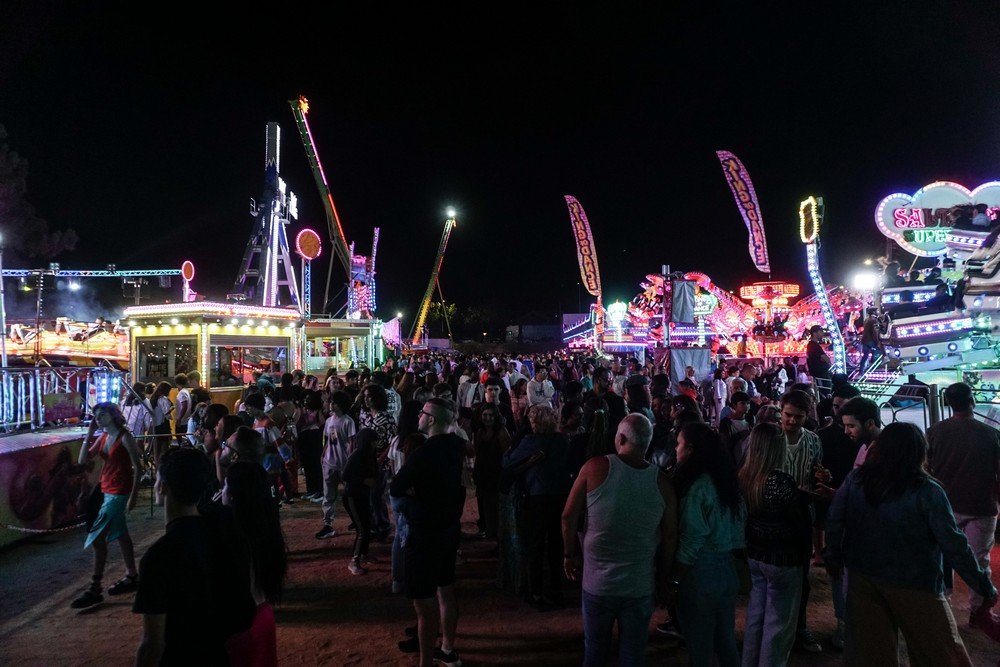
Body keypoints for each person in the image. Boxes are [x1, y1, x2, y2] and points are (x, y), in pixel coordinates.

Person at [824, 422, 998, 666]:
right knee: (940, 655)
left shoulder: (857, 479)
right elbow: (954, 545)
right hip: (916, 583)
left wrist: (832, 556)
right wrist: (982, 585)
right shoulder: (927, 491)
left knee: (870, 655)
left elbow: (835, 519)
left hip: (863, 576)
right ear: (919, 453)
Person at [561, 414, 677, 667]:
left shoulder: (595, 468)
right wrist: (664, 574)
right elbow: (669, 536)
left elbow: (568, 516)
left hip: (598, 583)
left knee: (595, 651)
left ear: (621, 438)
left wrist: (569, 554)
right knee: (633, 655)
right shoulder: (662, 483)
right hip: (639, 585)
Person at [133, 447, 255, 665]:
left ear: (162, 487)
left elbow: (153, 644)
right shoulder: (222, 531)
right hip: (220, 654)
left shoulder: (158, 557)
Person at [389, 397, 468, 667]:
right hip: (449, 528)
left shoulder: (423, 453)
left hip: (425, 533)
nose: (418, 417)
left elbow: (397, 487)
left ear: (431, 419)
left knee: (424, 603)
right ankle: (448, 649)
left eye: (422, 413)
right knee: (446, 589)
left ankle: (425, 662)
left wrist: (414, 494)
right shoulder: (456, 446)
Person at [668, 422, 746, 666]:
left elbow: (691, 541)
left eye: (679, 444)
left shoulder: (697, 487)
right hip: (727, 569)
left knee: (699, 645)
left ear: (690, 450)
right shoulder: (726, 482)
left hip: (700, 574)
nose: (675, 449)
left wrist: (674, 580)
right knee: (725, 641)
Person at [738, 423, 812, 666]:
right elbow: (800, 523)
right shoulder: (781, 482)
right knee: (778, 625)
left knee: (756, 617)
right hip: (783, 559)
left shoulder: (744, 477)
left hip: (755, 555)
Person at [927, 382, 1000, 622]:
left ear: (948, 403)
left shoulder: (934, 431)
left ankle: (943, 607)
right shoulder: (991, 434)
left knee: (942, 558)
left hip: (945, 505)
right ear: (972, 401)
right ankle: (978, 612)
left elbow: (926, 469)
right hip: (981, 505)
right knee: (979, 560)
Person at [71, 403, 142, 609]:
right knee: (120, 533)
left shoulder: (124, 437)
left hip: (118, 491)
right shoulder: (103, 437)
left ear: (113, 416)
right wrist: (89, 434)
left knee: (97, 536)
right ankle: (132, 574)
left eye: (102, 415)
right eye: (96, 416)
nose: (98, 419)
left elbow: (138, 467)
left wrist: (133, 496)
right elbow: (82, 460)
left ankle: (95, 587)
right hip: (105, 488)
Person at [502, 404, 573, 609]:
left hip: (537, 495)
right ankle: (556, 589)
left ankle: (536, 592)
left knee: (536, 544)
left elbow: (508, 462)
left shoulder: (531, 441)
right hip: (559, 494)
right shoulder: (562, 440)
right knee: (556, 543)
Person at [220, 462, 288, 667]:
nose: (222, 491)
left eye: (225, 485)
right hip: (263, 616)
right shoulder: (265, 524)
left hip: (240, 624)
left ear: (234, 493)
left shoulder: (232, 533)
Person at [777, 389, 829, 653]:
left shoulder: (813, 440)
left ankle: (799, 627)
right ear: (780, 411)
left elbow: (817, 471)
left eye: (798, 417)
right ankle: (776, 631)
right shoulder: (769, 439)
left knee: (800, 575)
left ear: (807, 416)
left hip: (801, 517)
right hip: (772, 517)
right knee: (774, 576)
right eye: (788, 415)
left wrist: (822, 478)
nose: (792, 421)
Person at [316, 390, 357, 539]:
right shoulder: (329, 421)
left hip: (344, 464)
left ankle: (357, 519)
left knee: (351, 494)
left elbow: (352, 443)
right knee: (328, 495)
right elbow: (330, 440)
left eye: (333, 402)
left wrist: (349, 462)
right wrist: (324, 454)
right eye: (330, 402)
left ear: (340, 405)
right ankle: (328, 524)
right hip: (330, 462)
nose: (330, 404)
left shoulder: (348, 421)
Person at [342, 428, 380, 575]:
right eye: (373, 441)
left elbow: (375, 473)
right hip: (352, 496)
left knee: (367, 525)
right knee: (362, 529)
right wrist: (363, 480)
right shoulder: (357, 455)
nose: (375, 444)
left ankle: (364, 554)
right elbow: (345, 476)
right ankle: (354, 561)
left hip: (363, 495)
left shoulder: (370, 455)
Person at [173, 373, 192, 445]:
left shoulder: (182, 393)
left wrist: (179, 419)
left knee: (180, 440)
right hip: (186, 420)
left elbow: (184, 406)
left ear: (177, 383)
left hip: (182, 422)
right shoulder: (186, 391)